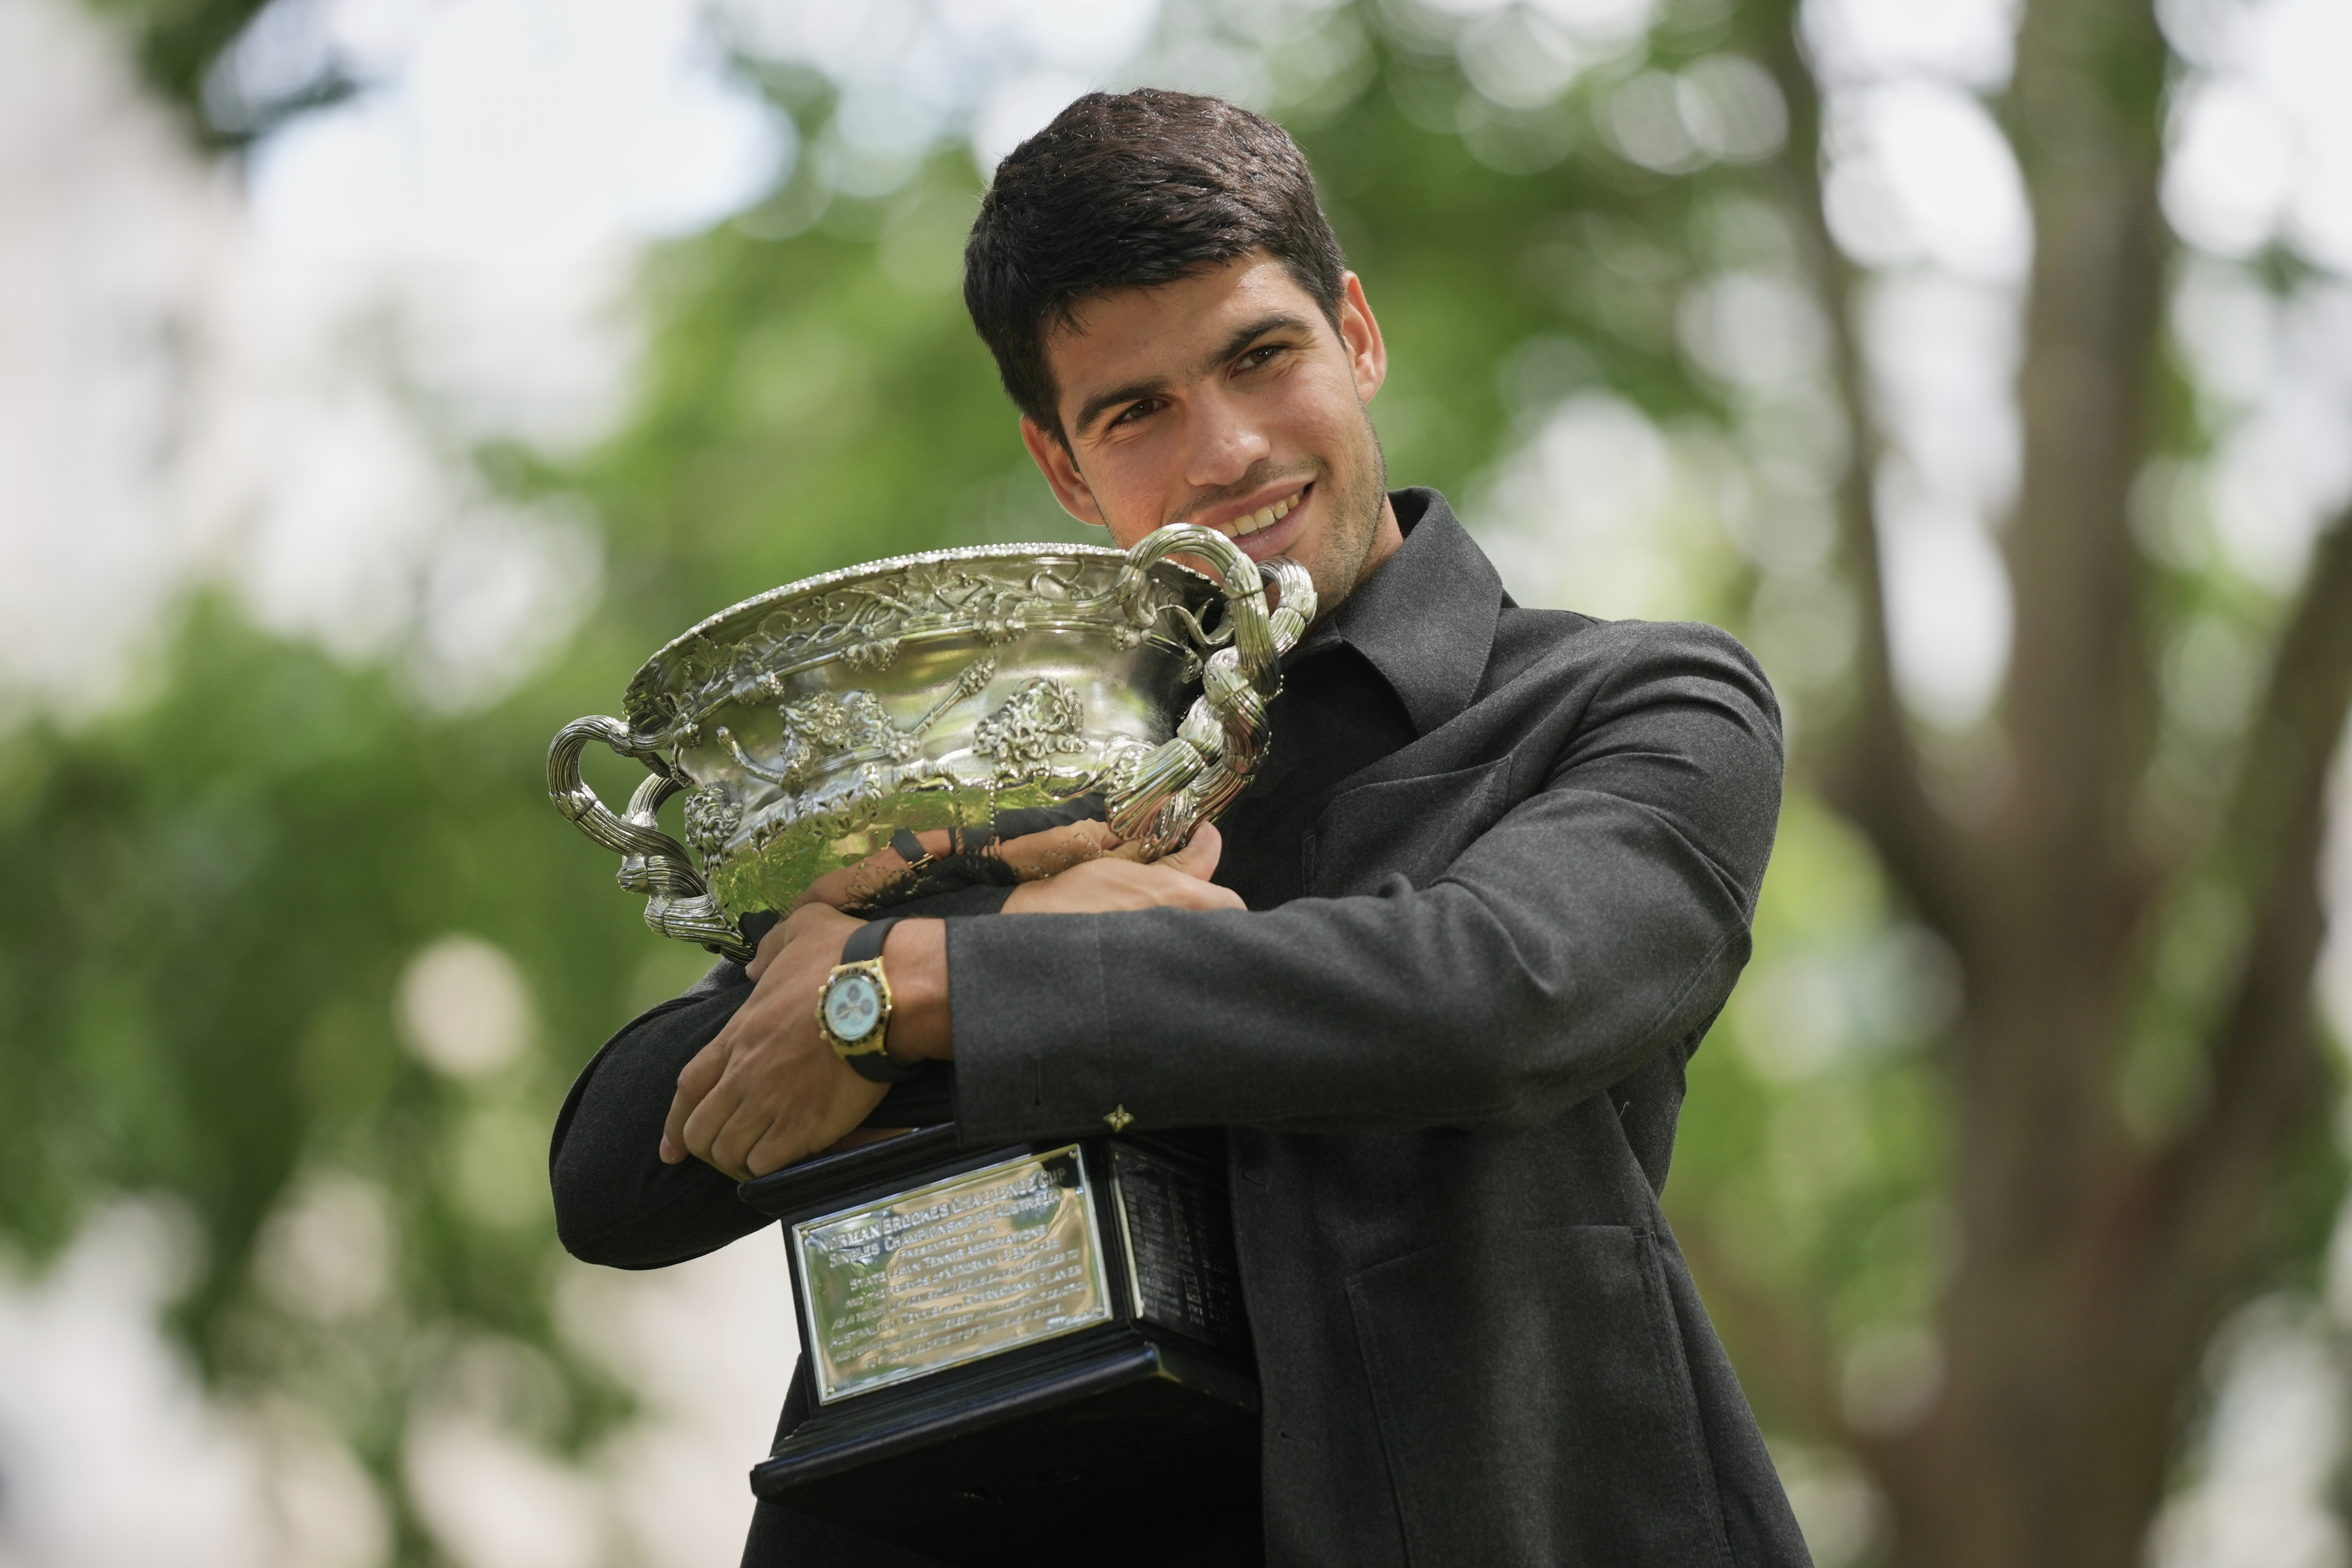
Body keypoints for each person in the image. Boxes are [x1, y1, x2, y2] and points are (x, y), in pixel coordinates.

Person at [552, 88, 1808, 1568]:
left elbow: (1496, 994)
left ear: (1356, 336)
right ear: (1063, 466)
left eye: (1261, 356)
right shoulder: (1010, 774)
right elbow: (615, 1177)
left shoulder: (1638, 700)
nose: (1224, 450)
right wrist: (975, 938)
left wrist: (935, 986)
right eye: (1135, 409)